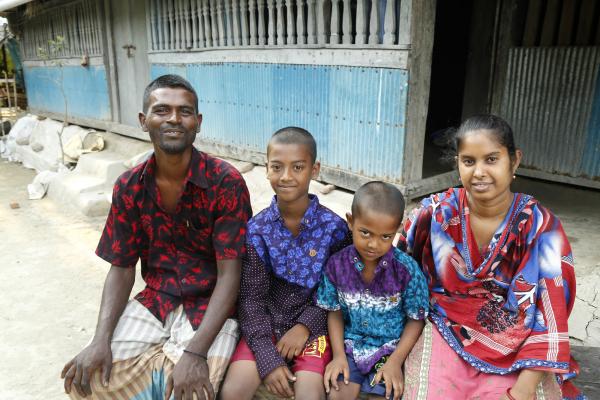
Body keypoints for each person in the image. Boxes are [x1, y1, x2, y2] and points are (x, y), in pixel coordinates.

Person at [60, 74, 252, 400]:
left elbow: (230, 275)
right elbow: (121, 268)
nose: (174, 119)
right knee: (87, 379)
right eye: (162, 110)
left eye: (185, 111)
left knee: (193, 390)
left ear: (198, 122)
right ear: (143, 120)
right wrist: (99, 339)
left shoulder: (226, 182)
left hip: (210, 305)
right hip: (156, 300)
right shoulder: (129, 186)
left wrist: (195, 353)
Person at [398, 114, 584, 400]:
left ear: (515, 160)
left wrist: (523, 388)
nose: (479, 172)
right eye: (469, 161)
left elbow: (551, 311)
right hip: (446, 328)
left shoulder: (540, 228)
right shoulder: (435, 213)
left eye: (491, 159)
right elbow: (395, 266)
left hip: (517, 343)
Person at [220, 127, 351, 400]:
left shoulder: (334, 230)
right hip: (266, 325)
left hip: (316, 328)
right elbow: (251, 299)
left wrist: (304, 327)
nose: (286, 177)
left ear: (314, 170)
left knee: (309, 393)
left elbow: (337, 292)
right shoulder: (257, 230)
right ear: (266, 169)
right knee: (233, 390)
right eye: (277, 167)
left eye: (298, 167)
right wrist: (268, 358)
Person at [315, 181, 430, 400]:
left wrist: (396, 361)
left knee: (385, 393)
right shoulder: (337, 266)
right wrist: (338, 355)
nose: (373, 244)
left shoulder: (407, 271)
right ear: (351, 222)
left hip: (390, 349)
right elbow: (335, 312)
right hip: (350, 347)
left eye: (385, 236)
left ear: (397, 229)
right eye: (365, 233)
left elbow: (416, 319)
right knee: (337, 394)